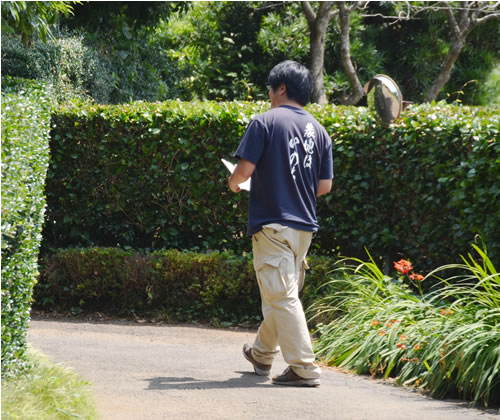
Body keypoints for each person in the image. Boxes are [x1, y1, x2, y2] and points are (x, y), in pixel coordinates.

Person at [227, 60, 333, 387]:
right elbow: (324, 186)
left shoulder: (264, 122)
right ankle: (261, 354)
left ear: (281, 88)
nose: (269, 96)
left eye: (270, 90)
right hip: (304, 227)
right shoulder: (320, 130)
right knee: (280, 293)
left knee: (282, 297)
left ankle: (304, 367)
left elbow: (243, 172)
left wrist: (233, 183)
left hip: (273, 224)